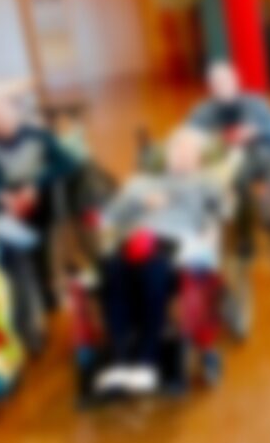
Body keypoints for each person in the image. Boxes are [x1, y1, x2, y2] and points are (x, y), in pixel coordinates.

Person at [96, 127, 226, 394]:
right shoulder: (139, 183)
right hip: (133, 240)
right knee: (111, 269)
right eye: (176, 148)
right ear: (166, 153)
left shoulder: (205, 183)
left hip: (173, 244)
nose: (181, 155)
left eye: (189, 151)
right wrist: (140, 203)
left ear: (199, 158)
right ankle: (120, 361)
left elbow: (224, 210)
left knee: (151, 271)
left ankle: (147, 361)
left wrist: (212, 229)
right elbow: (108, 218)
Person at [0, 94, 76, 310]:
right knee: (1, 238)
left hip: (45, 200)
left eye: (2, 115)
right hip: (15, 207)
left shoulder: (38, 136)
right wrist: (1, 195)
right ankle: (32, 299)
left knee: (43, 243)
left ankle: (51, 291)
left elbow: (67, 162)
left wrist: (36, 185)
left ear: (14, 113)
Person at [188, 61, 270, 258]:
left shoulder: (256, 103)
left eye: (226, 82)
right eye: (217, 84)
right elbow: (188, 141)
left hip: (260, 153)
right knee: (238, 178)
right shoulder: (203, 112)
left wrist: (257, 131)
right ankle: (244, 234)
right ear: (211, 88)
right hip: (225, 161)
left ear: (236, 82)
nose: (223, 87)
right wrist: (215, 141)